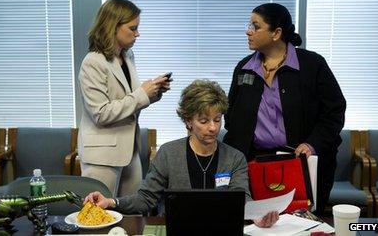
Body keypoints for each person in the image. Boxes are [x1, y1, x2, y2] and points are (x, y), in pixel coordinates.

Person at [84, 79, 279, 228]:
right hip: (179, 229)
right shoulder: (169, 153)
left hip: (221, 229)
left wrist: (258, 215)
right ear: (188, 121)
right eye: (204, 121)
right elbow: (145, 199)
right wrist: (111, 202)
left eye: (217, 119)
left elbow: (242, 198)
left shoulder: (235, 157)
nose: (213, 128)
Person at [223, 3, 346, 214]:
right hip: (256, 165)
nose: (248, 31)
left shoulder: (312, 65)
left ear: (276, 33)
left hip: (302, 163)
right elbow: (231, 115)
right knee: (260, 223)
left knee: (301, 224)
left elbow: (334, 112)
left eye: (255, 26)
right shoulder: (244, 68)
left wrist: (313, 143)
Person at [78, 0, 171, 196]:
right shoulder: (92, 62)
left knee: (133, 213)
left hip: (129, 150)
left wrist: (153, 92)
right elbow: (101, 113)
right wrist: (142, 94)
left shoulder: (127, 56)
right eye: (132, 28)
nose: (137, 34)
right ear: (113, 26)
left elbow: (130, 100)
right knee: (99, 217)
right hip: (102, 155)